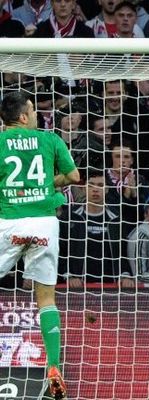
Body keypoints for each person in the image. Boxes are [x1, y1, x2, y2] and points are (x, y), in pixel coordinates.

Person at [0, 91, 80, 399]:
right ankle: (54, 366)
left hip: (9, 222)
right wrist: (47, 182)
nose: (36, 115)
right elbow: (73, 176)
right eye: (32, 111)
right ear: (23, 117)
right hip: (45, 224)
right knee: (46, 299)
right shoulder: (49, 140)